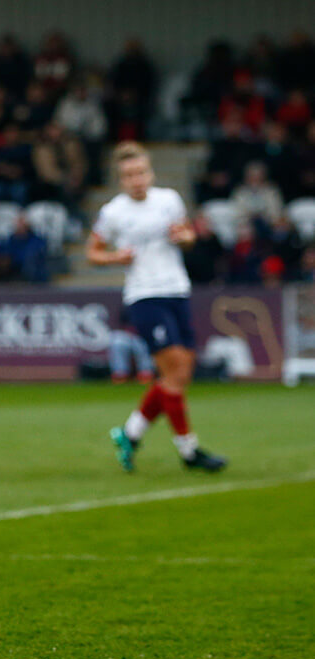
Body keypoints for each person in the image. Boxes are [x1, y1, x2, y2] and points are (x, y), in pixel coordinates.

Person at [88, 143, 226, 473]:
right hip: (144, 296)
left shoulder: (168, 200)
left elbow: (188, 236)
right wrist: (114, 258)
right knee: (175, 373)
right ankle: (189, 451)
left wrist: (185, 238)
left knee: (178, 375)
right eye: (129, 175)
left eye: (140, 172)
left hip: (177, 289)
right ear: (120, 179)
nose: (136, 180)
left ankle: (130, 434)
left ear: (150, 173)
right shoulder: (113, 212)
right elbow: (93, 252)